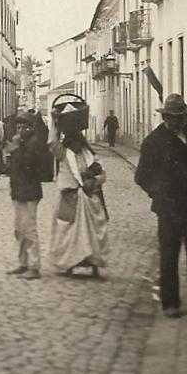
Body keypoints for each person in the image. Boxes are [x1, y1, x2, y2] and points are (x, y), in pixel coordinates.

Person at [135, 93, 187, 318]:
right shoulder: (153, 142)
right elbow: (141, 176)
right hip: (168, 209)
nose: (179, 120)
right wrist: (158, 191)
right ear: (166, 117)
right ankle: (170, 303)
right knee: (169, 256)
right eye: (175, 117)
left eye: (182, 116)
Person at [48, 100, 109, 278]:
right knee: (67, 231)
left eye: (76, 137)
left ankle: (93, 264)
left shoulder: (87, 153)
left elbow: (101, 173)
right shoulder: (63, 152)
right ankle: (69, 264)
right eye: (70, 138)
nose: (73, 141)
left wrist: (95, 181)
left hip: (89, 198)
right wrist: (54, 122)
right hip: (70, 196)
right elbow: (52, 141)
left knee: (92, 232)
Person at [3, 114, 45, 279]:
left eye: (23, 127)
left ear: (30, 128)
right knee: (19, 229)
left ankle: (34, 266)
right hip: (19, 191)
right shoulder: (20, 143)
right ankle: (23, 263)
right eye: (18, 127)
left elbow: (29, 166)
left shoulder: (33, 143)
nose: (19, 130)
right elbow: (13, 169)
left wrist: (16, 151)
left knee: (29, 229)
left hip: (30, 192)